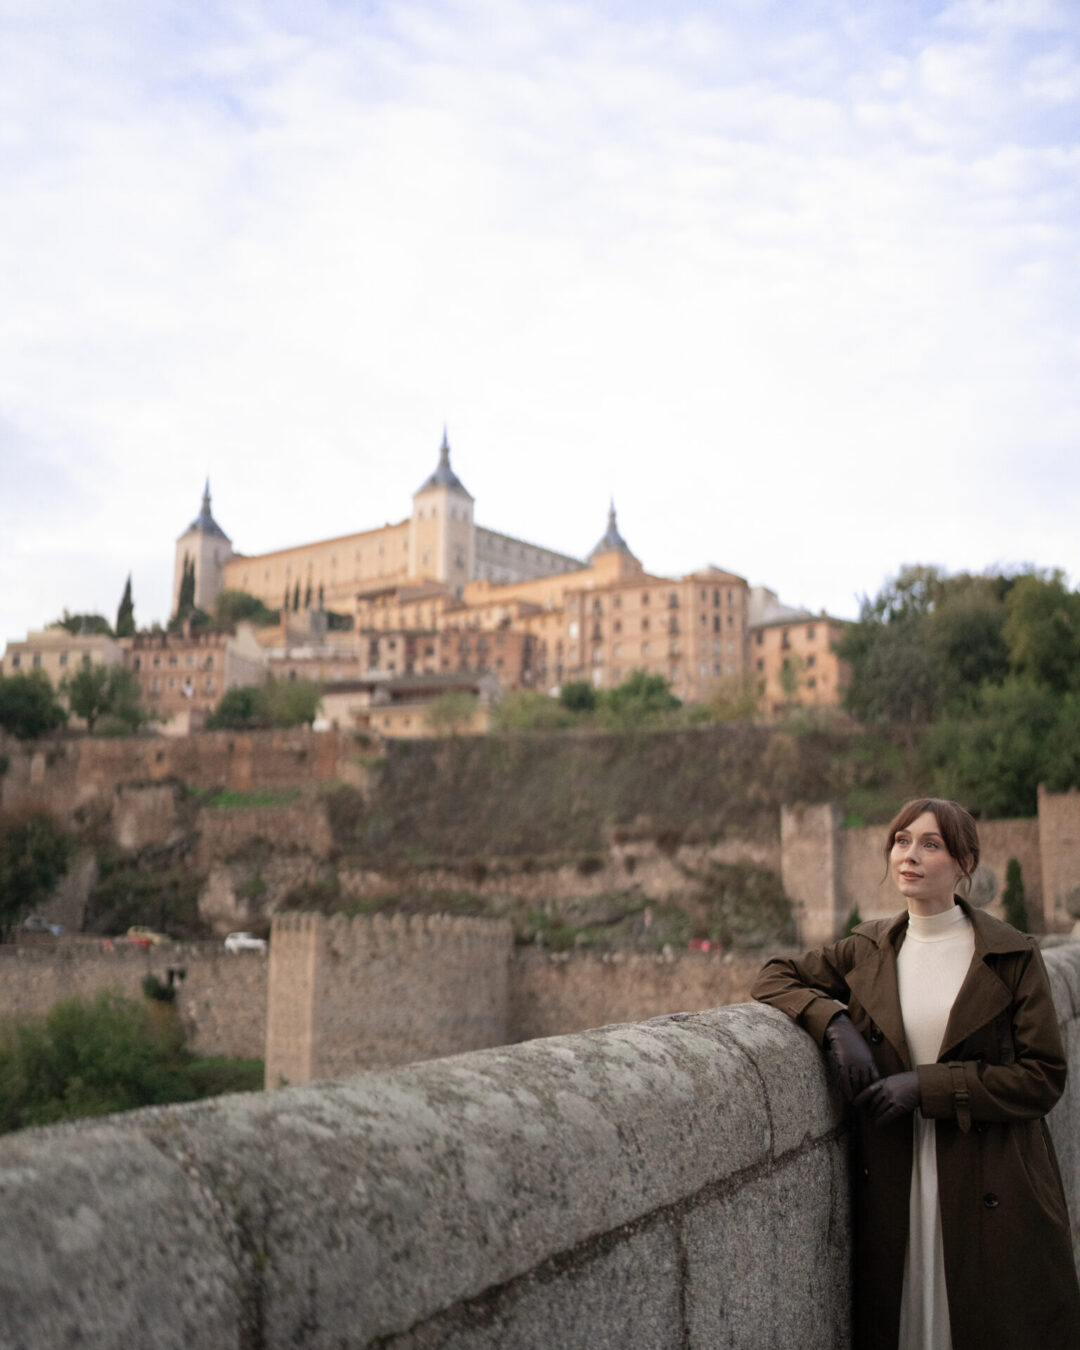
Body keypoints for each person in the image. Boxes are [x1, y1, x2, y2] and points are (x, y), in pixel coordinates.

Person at [752, 797, 1080, 1350]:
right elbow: (773, 976)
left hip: (990, 1179)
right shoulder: (867, 948)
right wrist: (835, 1023)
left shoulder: (1012, 954)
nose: (910, 855)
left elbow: (1042, 1078)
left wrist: (926, 1087)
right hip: (898, 1181)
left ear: (964, 862)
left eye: (931, 844)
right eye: (902, 841)